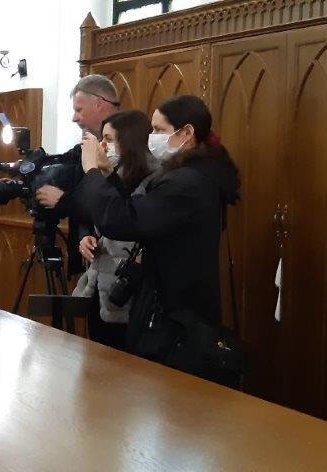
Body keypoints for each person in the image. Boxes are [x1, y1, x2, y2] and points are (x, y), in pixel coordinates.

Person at [74, 95, 240, 384]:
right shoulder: (192, 175)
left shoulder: (187, 183)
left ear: (186, 133)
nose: (152, 137)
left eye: (159, 130)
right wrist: (109, 174)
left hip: (175, 318)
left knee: (163, 395)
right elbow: (136, 212)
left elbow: (124, 221)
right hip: (174, 308)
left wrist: (91, 171)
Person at [70, 109, 157, 350]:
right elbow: (99, 218)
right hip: (103, 284)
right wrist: (89, 238)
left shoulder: (152, 180)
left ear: (129, 142)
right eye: (101, 139)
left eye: (108, 139)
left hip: (130, 292)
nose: (102, 146)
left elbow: (123, 220)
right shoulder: (115, 174)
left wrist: (92, 169)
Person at [32, 74, 121, 274]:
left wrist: (64, 201)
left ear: (99, 104)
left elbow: (117, 206)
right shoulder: (81, 149)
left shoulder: (127, 147)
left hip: (117, 265)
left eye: (78, 110)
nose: (74, 118)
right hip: (88, 258)